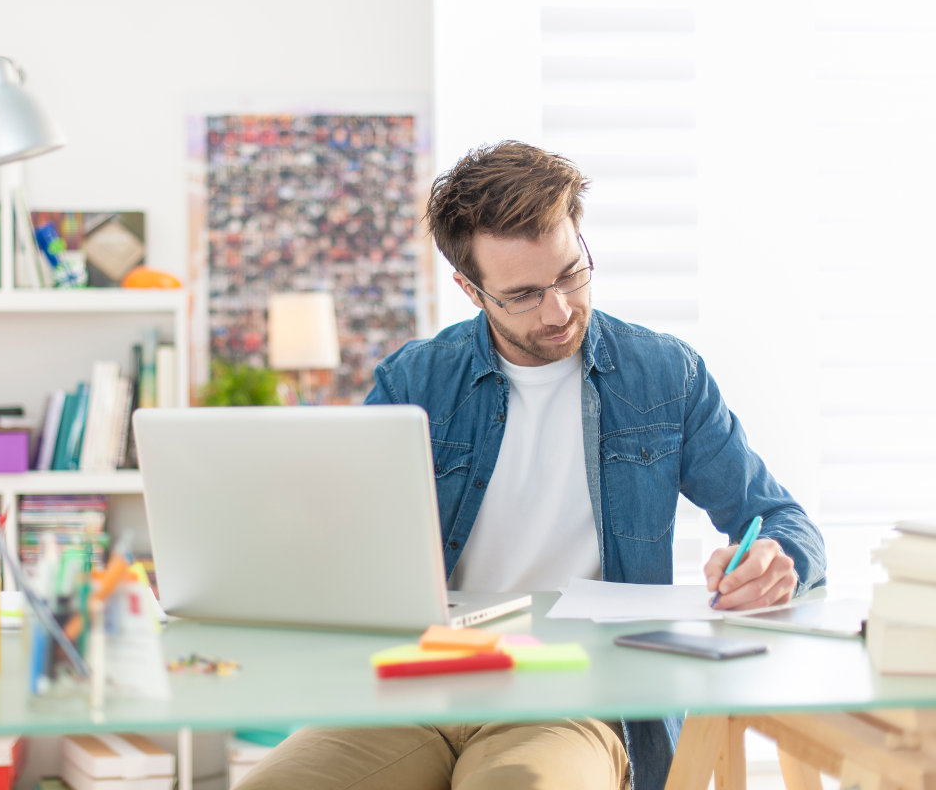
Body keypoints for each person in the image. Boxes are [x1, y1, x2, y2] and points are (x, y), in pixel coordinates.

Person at [239, 140, 827, 790]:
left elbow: (783, 521)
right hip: (415, 691)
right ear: (470, 289)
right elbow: (337, 540)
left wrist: (778, 562)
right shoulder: (415, 380)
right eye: (522, 294)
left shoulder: (665, 376)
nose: (560, 310)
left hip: (574, 696)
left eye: (572, 273)